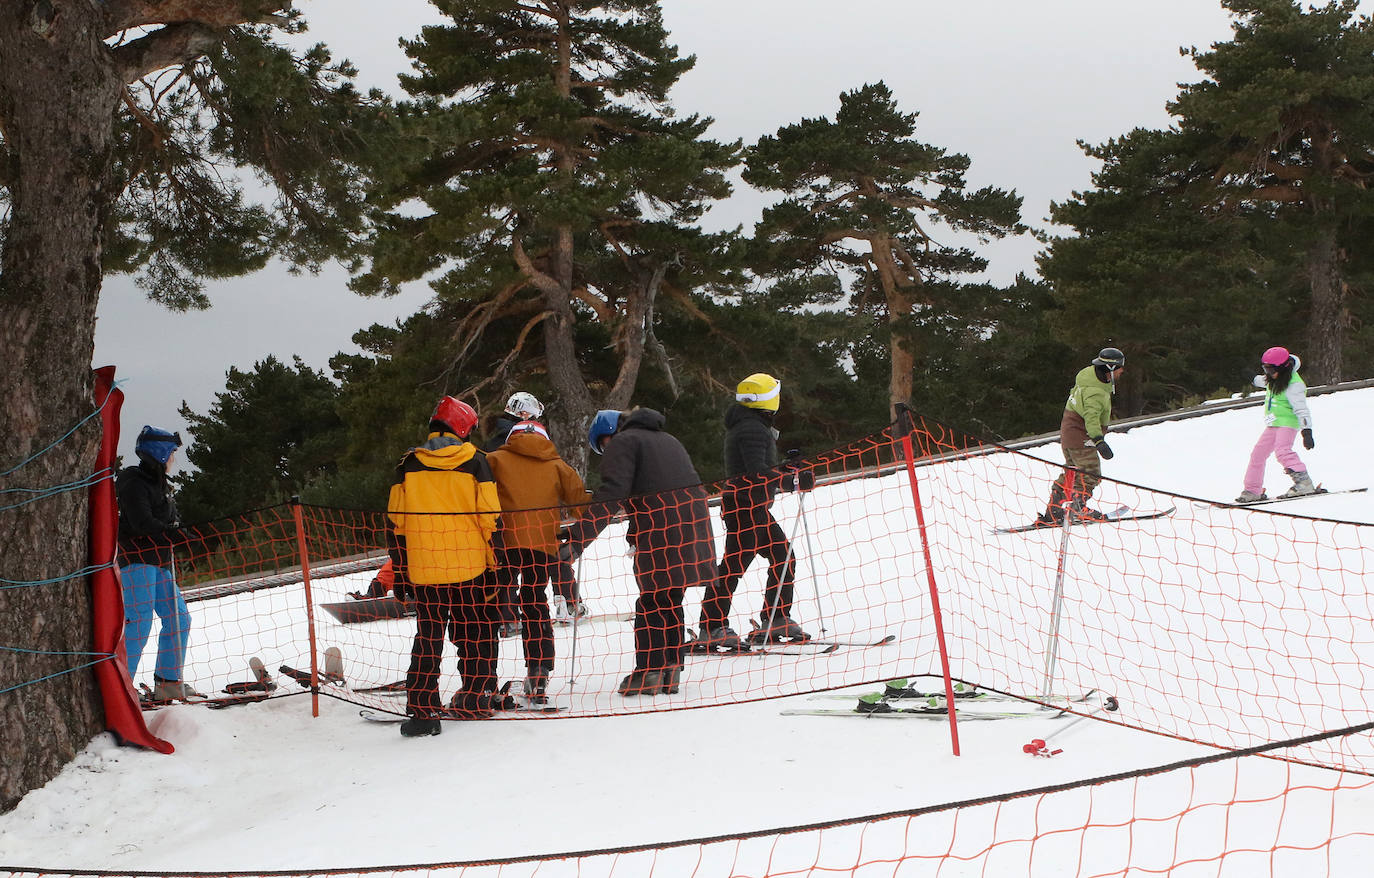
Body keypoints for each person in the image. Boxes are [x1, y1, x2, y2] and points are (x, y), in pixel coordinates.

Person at [562, 408, 716, 696]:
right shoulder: (668, 439)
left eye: (603, 447)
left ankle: (649, 671)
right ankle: (671, 668)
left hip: (662, 527)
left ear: (607, 435)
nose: (607, 452)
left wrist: (576, 539)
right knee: (671, 595)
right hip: (693, 524)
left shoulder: (624, 442)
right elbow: (656, 488)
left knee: (651, 600)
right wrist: (635, 533)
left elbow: (613, 493)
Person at [387, 396, 503, 737]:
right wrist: (494, 563)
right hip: (470, 567)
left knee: (429, 637)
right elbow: (490, 518)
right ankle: (476, 695)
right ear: (464, 429)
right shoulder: (478, 463)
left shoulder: (407, 465)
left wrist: (401, 570)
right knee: (473, 633)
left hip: (425, 570)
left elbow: (397, 524)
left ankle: (423, 712)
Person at [697, 373, 810, 649]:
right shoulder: (751, 428)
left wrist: (786, 468)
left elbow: (758, 467)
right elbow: (755, 472)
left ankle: (777, 616)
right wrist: (790, 481)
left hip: (753, 507)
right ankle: (711, 626)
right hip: (745, 508)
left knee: (783, 556)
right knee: (734, 567)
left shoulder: (751, 425)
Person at [486, 420, 587, 703]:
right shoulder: (557, 464)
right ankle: (538, 671)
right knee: (535, 602)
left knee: (493, 602)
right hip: (543, 545)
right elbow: (581, 505)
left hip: (504, 543)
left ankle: (483, 678)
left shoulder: (493, 459)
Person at [117, 426, 202, 701]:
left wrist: (183, 533)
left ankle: (167, 681)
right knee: (139, 622)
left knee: (179, 618)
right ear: (160, 454)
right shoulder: (133, 481)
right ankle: (122, 688)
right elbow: (141, 523)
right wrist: (171, 533)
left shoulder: (160, 484)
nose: (174, 459)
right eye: (172, 454)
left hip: (160, 563)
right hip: (137, 562)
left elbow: (168, 521)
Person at [1037, 347, 1125, 525]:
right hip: (1081, 436)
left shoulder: (1088, 376)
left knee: (1072, 472)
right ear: (1110, 369)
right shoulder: (1096, 392)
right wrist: (1099, 441)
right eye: (1120, 368)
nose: (1123, 371)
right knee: (1090, 472)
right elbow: (1091, 419)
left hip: (1069, 433)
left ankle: (1054, 510)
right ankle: (1078, 508)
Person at [487, 391, 546, 638]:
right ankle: (518, 617)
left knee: (506, 569)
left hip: (500, 513)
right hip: (519, 512)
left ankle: (507, 618)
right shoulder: (517, 440)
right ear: (522, 414)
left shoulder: (492, 441)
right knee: (528, 568)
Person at [1236, 346, 1316, 503]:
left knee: (1283, 451)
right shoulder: (1274, 378)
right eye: (1265, 369)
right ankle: (1252, 490)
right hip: (1273, 423)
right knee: (1257, 455)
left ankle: (1304, 483)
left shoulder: (1294, 384)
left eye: (1270, 369)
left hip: (1287, 423)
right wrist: (1251, 377)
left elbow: (1302, 409)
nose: (1267, 373)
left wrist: (1307, 431)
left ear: (1283, 368)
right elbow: (1261, 381)